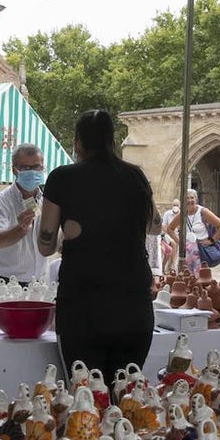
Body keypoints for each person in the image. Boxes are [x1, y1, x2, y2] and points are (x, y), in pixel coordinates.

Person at [39, 110, 155, 377]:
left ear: (77, 142)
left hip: (83, 305)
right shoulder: (135, 175)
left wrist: (69, 234)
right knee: (128, 391)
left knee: (87, 393)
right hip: (133, 303)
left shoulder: (62, 177)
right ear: (112, 141)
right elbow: (155, 225)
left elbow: (45, 246)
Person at [0, 143, 49, 286]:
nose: (32, 172)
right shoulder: (0, 202)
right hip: (1, 282)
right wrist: (20, 229)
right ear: (14, 170)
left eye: (36, 167)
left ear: (42, 168)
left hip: (35, 283)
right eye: (25, 168)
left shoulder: (46, 202)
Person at [164, 189, 220, 272]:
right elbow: (169, 229)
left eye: (192, 198)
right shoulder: (182, 214)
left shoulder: (203, 212)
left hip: (201, 250)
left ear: (196, 199)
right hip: (187, 251)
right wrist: (180, 242)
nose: (189, 200)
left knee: (201, 275)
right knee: (186, 274)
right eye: (187, 198)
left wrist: (211, 240)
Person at [160, 198, 180, 273]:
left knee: (178, 243)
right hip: (168, 234)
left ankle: (171, 266)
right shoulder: (167, 214)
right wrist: (170, 232)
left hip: (177, 234)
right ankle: (172, 265)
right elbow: (163, 226)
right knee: (174, 243)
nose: (175, 206)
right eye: (174, 205)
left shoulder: (181, 214)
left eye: (177, 205)